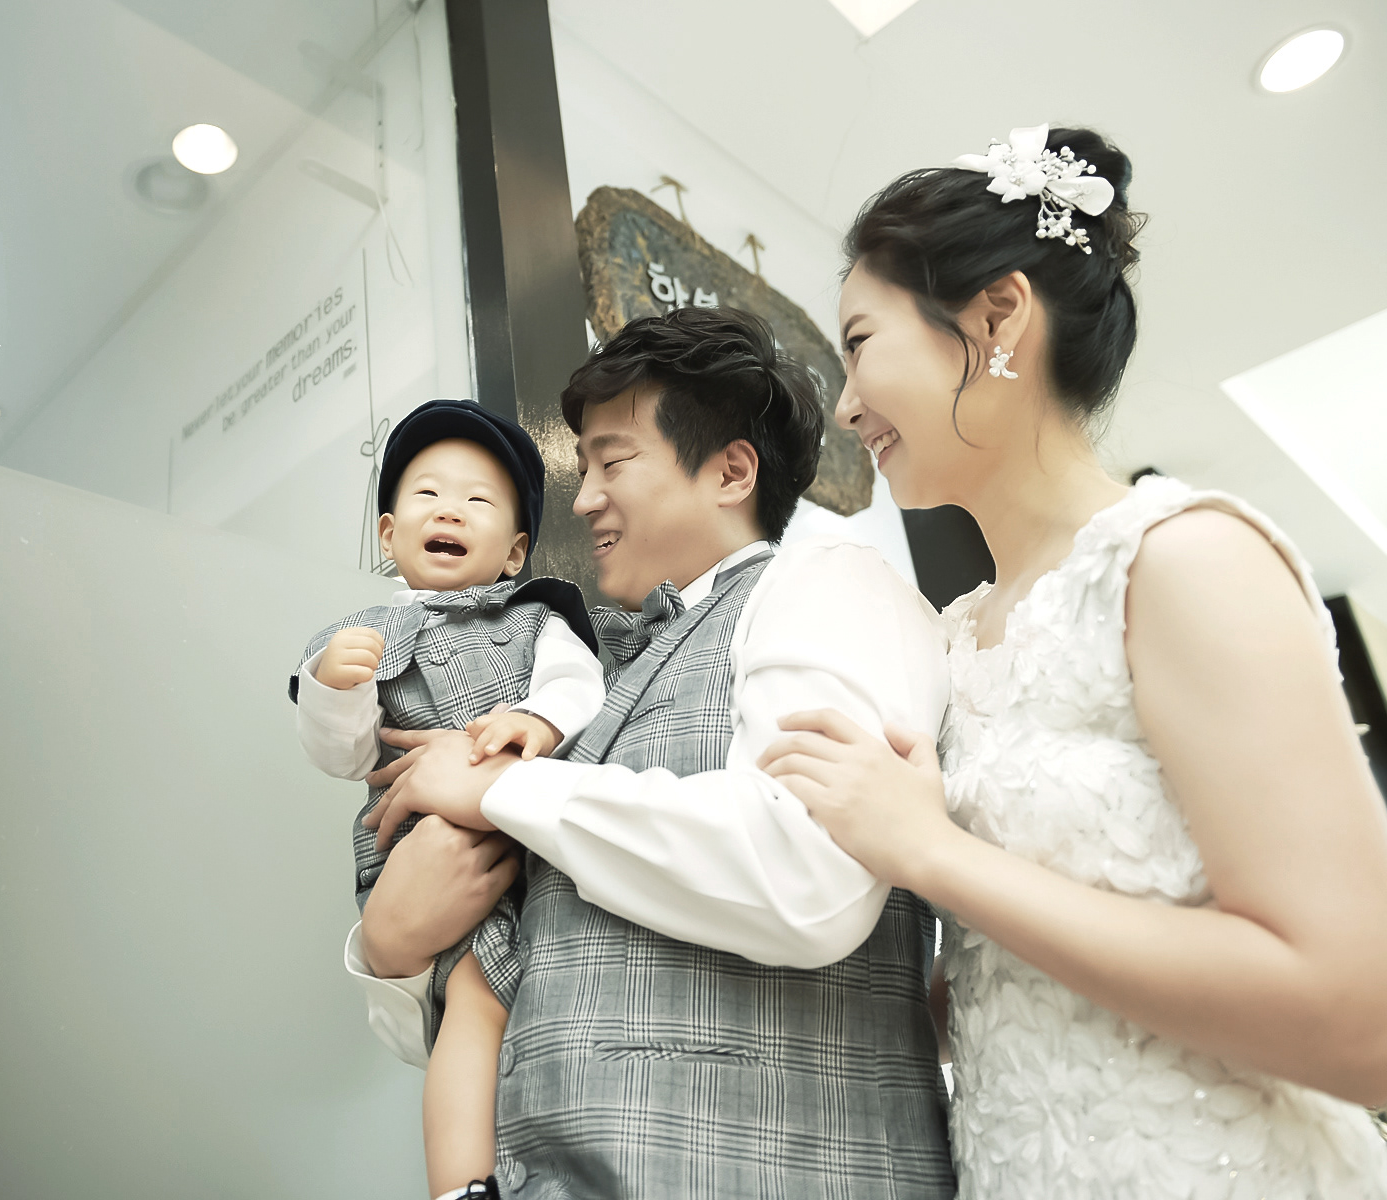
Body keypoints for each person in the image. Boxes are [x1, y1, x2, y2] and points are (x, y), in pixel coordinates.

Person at [757, 124, 1387, 1198]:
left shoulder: (1182, 561)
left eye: (861, 344)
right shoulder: (948, 636)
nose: (846, 405)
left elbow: (1363, 1025)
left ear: (997, 317)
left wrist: (933, 854)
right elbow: (1015, 985)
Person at [350, 307, 956, 1199]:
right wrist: (392, 950)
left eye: (612, 461)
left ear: (731, 472)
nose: (583, 497)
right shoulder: (574, 679)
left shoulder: (829, 582)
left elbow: (805, 873)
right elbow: (500, 996)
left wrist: (505, 789)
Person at [291, 399, 605, 1200]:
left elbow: (580, 689)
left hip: (535, 848)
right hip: (431, 858)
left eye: (477, 500)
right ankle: (462, 1186)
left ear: (515, 551)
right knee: (471, 1004)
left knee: (564, 994)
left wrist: (540, 719)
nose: (450, 511)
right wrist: (333, 687)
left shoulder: (539, 618)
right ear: (389, 535)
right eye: (427, 494)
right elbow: (344, 756)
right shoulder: (365, 632)